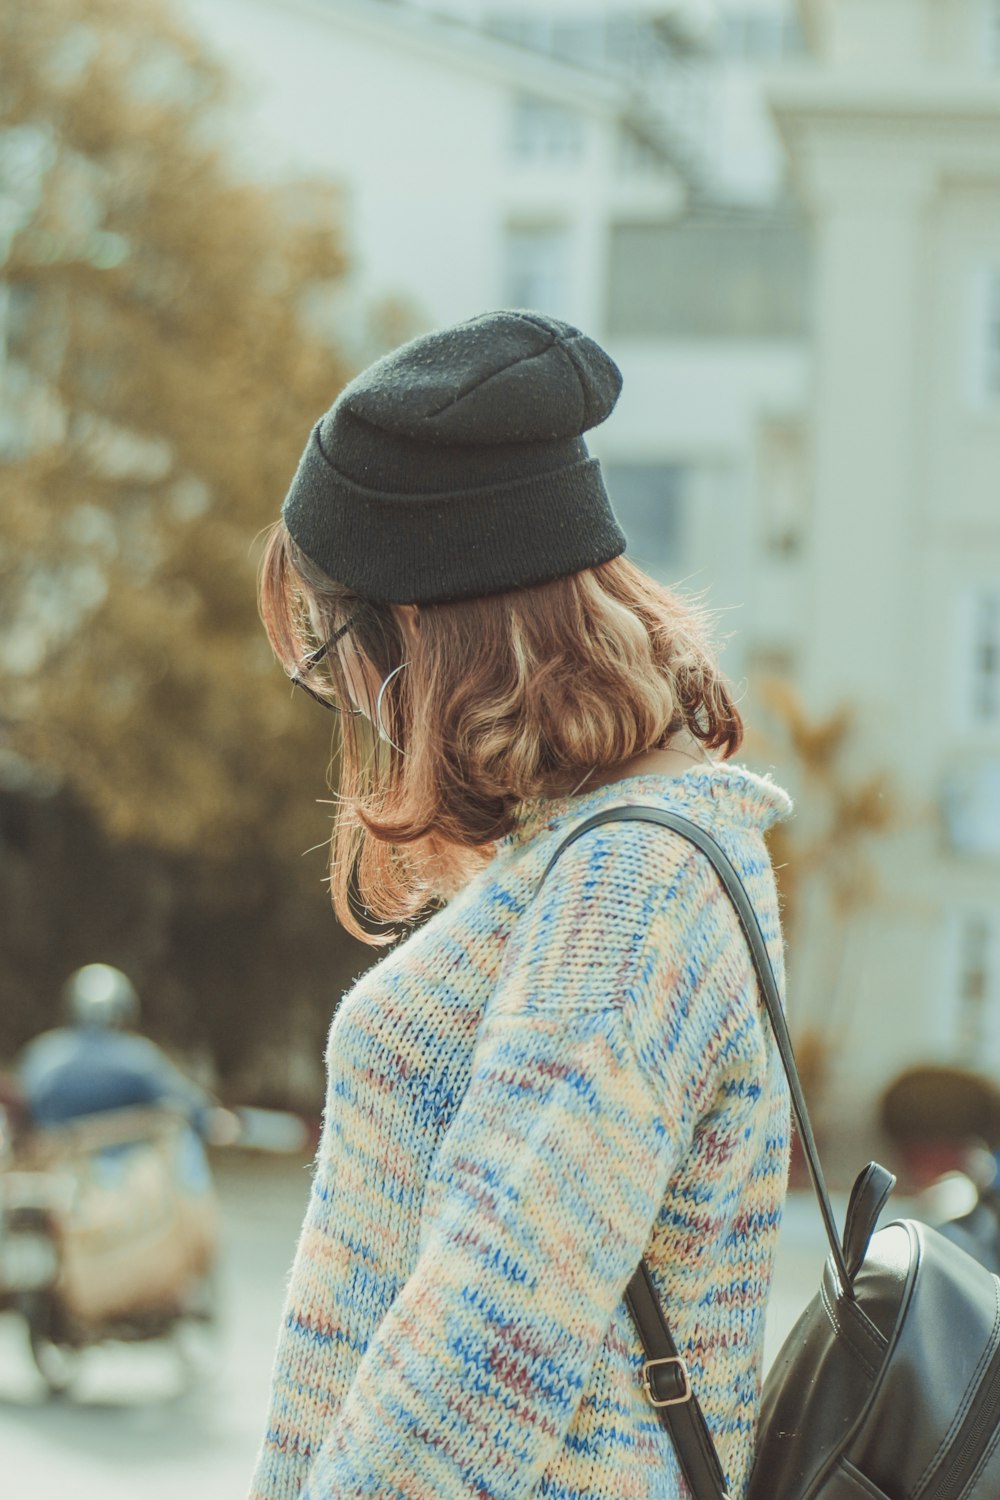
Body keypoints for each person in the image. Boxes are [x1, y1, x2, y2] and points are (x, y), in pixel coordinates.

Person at [249, 310, 794, 1500]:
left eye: (333, 640)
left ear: (423, 635)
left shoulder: (632, 888)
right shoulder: (594, 858)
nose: (337, 688)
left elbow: (486, 1350)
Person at [17, 963, 215, 1138]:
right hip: (125, 1170)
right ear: (123, 1009)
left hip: (54, 1165)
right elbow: (188, 1103)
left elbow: (22, 1101)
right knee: (181, 1135)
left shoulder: (44, 1053)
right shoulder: (138, 1057)